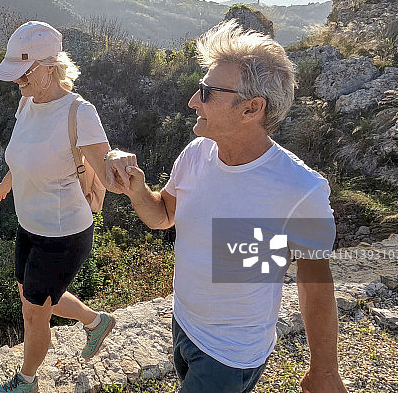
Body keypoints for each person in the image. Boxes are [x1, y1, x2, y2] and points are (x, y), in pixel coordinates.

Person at [105, 20, 347, 393]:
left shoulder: (300, 189)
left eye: (206, 93)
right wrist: (137, 190)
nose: (192, 102)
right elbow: (164, 216)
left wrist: (325, 373)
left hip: (232, 354)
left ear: (251, 109)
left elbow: (314, 280)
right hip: (183, 324)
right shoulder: (198, 152)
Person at [0, 21, 119, 393]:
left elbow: (108, 173)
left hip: (63, 233)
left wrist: (120, 160)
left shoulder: (79, 112)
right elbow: (23, 154)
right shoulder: (27, 102)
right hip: (29, 225)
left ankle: (27, 380)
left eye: (24, 73)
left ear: (50, 65)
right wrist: (6, 183)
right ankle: (95, 322)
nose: (18, 82)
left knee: (34, 313)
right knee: (36, 296)